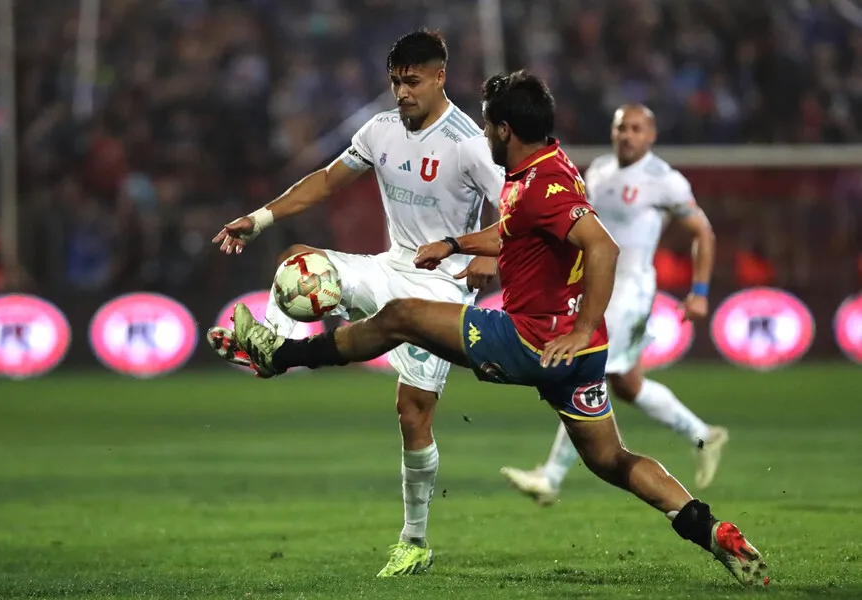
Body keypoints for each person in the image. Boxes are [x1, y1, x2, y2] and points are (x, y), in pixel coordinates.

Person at [227, 71, 769, 588]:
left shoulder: (542, 184)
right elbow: (516, 232)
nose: (483, 133)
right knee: (611, 459)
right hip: (576, 354)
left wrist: (579, 328)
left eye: (488, 126)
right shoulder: (544, 166)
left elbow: (603, 246)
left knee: (402, 317)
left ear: (504, 130)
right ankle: (711, 530)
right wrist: (457, 244)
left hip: (534, 341)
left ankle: (282, 357)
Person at [207, 30, 505, 577]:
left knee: (412, 415)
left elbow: (514, 209)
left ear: (440, 77)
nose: (402, 91)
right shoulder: (382, 129)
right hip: (390, 267)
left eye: (412, 81)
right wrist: (259, 218)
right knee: (298, 261)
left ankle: (414, 539)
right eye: (395, 81)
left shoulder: (469, 140)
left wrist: (488, 254)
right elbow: (324, 182)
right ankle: (271, 346)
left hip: (439, 288)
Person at [501, 104, 727, 504]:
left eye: (636, 129)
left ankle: (550, 477)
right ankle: (704, 436)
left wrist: (700, 292)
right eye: (621, 128)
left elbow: (702, 232)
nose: (627, 135)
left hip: (632, 292)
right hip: (598, 287)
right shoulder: (599, 170)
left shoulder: (664, 180)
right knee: (627, 384)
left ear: (651, 135)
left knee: (587, 370)